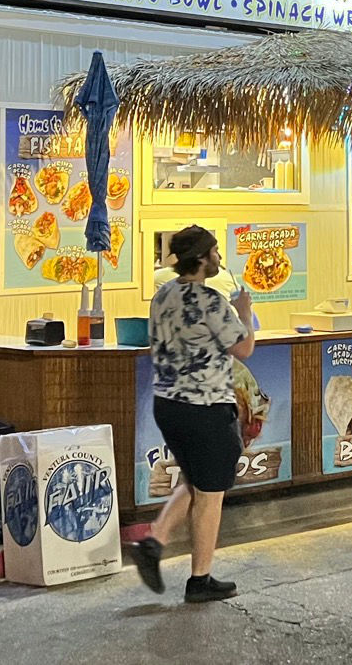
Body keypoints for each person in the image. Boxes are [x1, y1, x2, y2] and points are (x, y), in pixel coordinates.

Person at [127, 226, 256, 603]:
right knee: (211, 494)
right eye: (215, 252)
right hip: (207, 408)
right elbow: (244, 348)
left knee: (196, 480)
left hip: (167, 405)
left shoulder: (161, 295)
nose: (219, 258)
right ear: (201, 258)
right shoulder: (212, 301)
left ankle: (153, 542)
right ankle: (200, 579)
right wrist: (244, 313)